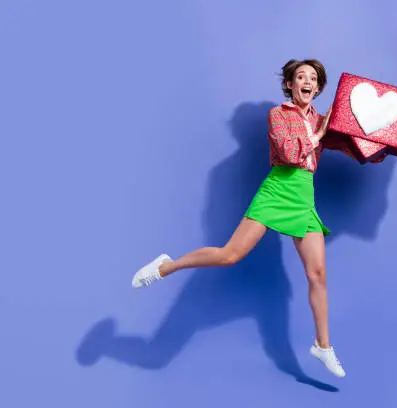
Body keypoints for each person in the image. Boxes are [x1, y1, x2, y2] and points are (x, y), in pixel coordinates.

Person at [131, 59, 376, 378]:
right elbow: (289, 154)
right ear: (290, 84)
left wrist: (375, 139)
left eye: (312, 78)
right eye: (299, 76)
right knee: (229, 255)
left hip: (304, 195)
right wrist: (319, 135)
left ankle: (323, 347)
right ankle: (165, 266)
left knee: (317, 274)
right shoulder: (278, 115)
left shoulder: (319, 119)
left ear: (318, 88)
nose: (306, 81)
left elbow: (355, 150)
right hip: (278, 189)